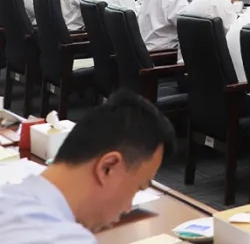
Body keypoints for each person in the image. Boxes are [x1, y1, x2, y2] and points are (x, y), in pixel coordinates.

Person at [0, 90, 175, 243]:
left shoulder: (7, 197)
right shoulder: (62, 238)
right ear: (107, 167)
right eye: (137, 188)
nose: (128, 208)